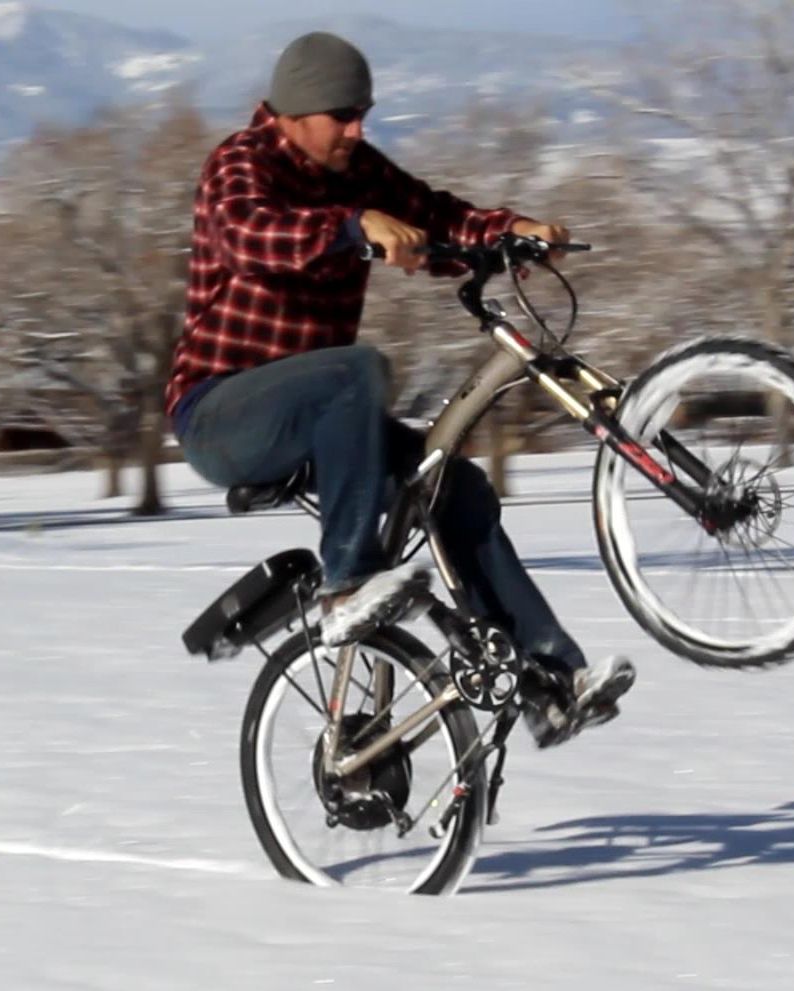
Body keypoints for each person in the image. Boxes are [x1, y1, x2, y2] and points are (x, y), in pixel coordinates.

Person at [165, 31, 633, 747]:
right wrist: (350, 228)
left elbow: (435, 215)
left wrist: (513, 232)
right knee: (354, 369)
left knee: (454, 486)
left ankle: (549, 684)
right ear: (293, 112)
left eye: (364, 114)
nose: (357, 129)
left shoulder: (355, 171)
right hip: (222, 412)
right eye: (342, 115)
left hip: (326, 418)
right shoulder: (239, 163)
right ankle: (344, 586)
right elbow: (249, 234)